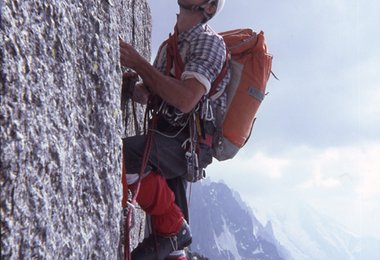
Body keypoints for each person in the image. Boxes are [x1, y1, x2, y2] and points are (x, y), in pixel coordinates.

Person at [119, 0, 230, 259]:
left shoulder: (210, 43)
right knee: (170, 247)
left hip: (187, 144)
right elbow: (154, 94)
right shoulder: (169, 46)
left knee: (127, 157)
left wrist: (139, 64)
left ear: (210, 7)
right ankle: (174, 235)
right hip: (167, 136)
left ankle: (176, 228)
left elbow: (186, 99)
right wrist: (135, 88)